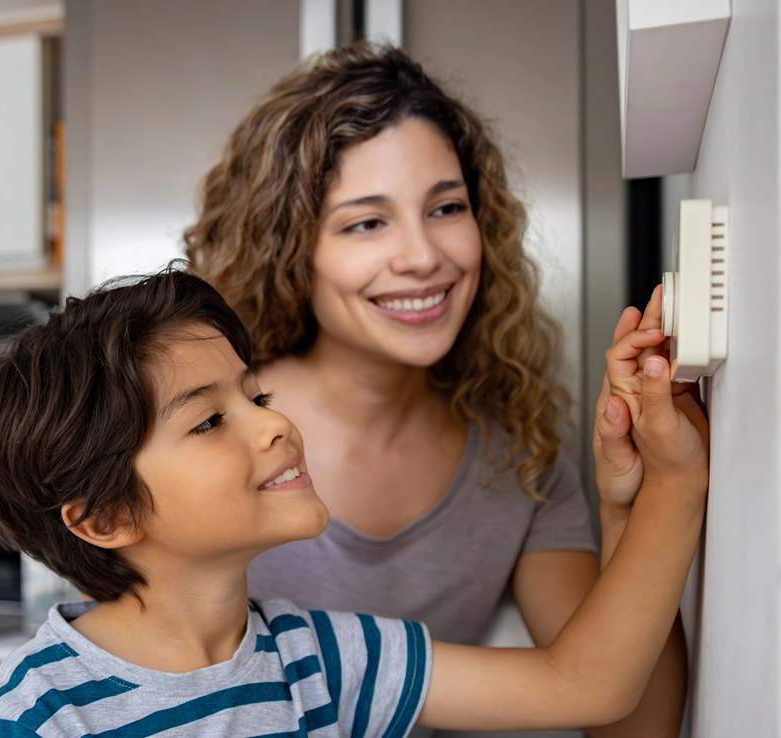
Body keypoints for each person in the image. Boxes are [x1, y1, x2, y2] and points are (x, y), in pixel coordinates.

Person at [0, 268, 707, 737]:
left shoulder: (316, 655)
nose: (275, 423)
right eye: (211, 420)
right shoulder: (42, 711)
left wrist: (673, 482)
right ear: (105, 518)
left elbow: (583, 684)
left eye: (256, 395)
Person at [184, 44, 687, 734]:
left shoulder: (522, 460)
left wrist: (631, 504)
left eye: (447, 208)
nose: (424, 256)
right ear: (290, 249)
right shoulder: (204, 442)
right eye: (367, 222)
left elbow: (622, 713)